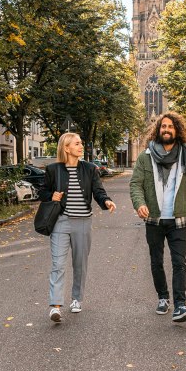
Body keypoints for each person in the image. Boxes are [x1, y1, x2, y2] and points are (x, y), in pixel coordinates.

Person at [129, 112, 186, 323]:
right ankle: (163, 297)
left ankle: (180, 305)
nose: (166, 130)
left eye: (170, 127)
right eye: (163, 127)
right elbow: (136, 184)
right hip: (154, 220)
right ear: (158, 130)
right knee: (156, 261)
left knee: (179, 262)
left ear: (177, 130)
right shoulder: (146, 156)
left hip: (177, 220)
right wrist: (140, 203)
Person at [39, 132, 116, 323]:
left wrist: (106, 201)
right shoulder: (53, 169)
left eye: (81, 143)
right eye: (77, 144)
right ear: (66, 148)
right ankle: (55, 306)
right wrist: (51, 196)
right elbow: (42, 192)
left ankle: (76, 299)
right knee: (58, 264)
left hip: (83, 222)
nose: (81, 146)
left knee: (80, 263)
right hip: (61, 222)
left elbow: (98, 191)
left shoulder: (90, 169)